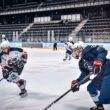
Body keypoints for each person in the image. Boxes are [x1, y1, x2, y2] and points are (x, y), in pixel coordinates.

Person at [71, 41, 110, 110]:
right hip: (101, 76)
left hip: (108, 70)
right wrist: (78, 82)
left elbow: (102, 50)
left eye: (75, 50)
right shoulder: (81, 62)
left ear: (80, 48)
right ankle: (99, 107)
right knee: (91, 88)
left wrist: (98, 61)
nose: (74, 52)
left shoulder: (88, 49)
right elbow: (85, 74)